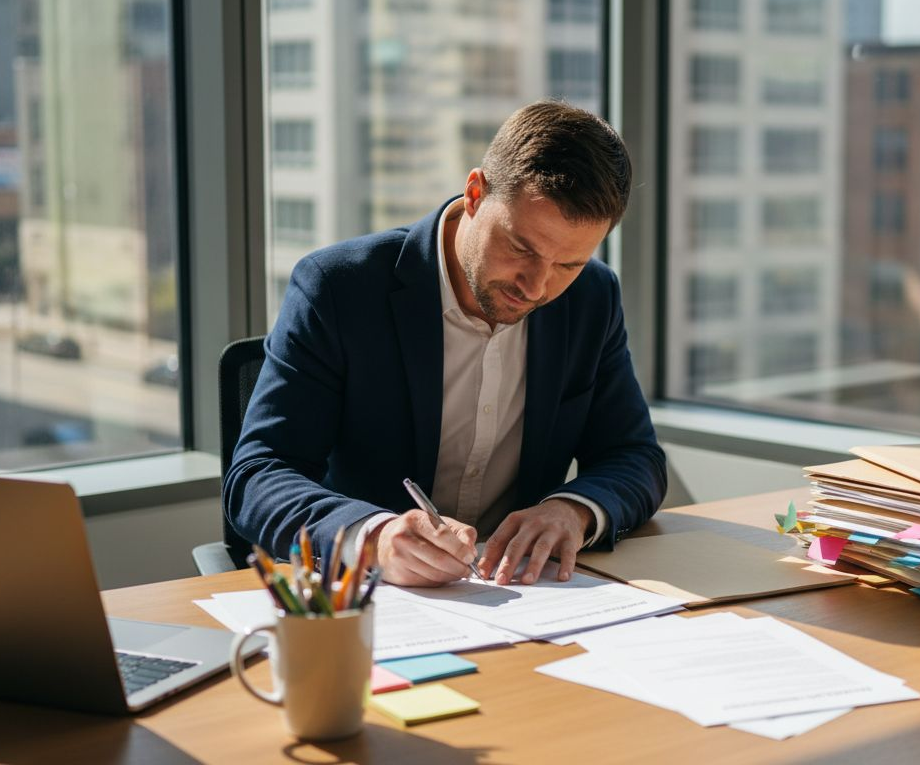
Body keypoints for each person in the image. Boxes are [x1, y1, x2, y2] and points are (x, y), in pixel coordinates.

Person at [224, 100, 665, 588]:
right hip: (373, 596)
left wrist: (573, 510)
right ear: (475, 193)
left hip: (524, 594)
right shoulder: (338, 289)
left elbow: (634, 456)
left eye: (568, 265)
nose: (537, 286)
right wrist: (375, 537)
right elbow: (258, 476)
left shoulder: (592, 298)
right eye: (521, 247)